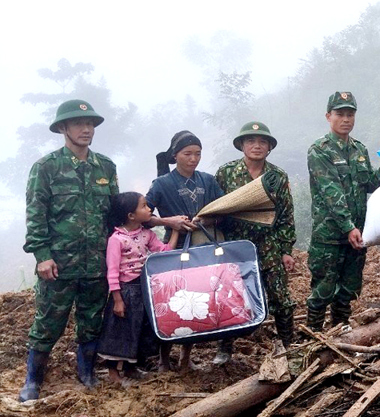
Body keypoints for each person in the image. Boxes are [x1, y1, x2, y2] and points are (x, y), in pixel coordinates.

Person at [20, 99, 119, 401]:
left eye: (90, 124)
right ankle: (33, 380)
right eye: (78, 123)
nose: (86, 129)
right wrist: (42, 255)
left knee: (91, 321)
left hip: (96, 263)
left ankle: (86, 374)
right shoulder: (46, 168)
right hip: (59, 264)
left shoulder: (106, 166)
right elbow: (36, 214)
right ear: (62, 128)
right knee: (48, 323)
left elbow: (115, 214)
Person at [307, 92, 380, 330]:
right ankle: (313, 336)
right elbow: (330, 192)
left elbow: (369, 185)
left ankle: (341, 334)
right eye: (340, 114)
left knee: (348, 290)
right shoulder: (319, 150)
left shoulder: (359, 150)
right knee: (323, 289)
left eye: (350, 114)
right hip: (330, 235)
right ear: (328, 116)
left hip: (357, 235)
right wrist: (347, 226)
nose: (346, 119)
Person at [146, 130, 227, 368]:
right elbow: (144, 215)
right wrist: (169, 222)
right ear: (175, 155)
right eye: (187, 154)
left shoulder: (208, 181)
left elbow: (223, 211)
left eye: (198, 154)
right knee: (172, 299)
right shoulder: (161, 184)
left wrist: (206, 221)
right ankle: (163, 358)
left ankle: (186, 357)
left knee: (195, 299)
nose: (193, 159)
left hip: (203, 249)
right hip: (173, 247)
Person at [215, 122, 297, 350]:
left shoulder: (277, 176)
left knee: (280, 297)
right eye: (251, 141)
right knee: (231, 295)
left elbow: (285, 215)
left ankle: (288, 344)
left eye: (262, 142)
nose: (257, 146)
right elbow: (215, 208)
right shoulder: (226, 172)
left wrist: (286, 250)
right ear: (242, 145)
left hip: (268, 244)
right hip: (235, 246)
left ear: (269, 147)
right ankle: (225, 348)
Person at [97, 192, 170, 383]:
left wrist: (175, 228)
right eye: (144, 206)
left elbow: (163, 251)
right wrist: (117, 299)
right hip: (126, 290)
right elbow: (112, 271)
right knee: (119, 330)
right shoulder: (117, 239)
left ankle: (131, 368)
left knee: (139, 328)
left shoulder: (147, 234)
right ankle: (113, 373)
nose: (149, 209)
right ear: (131, 215)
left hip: (144, 289)